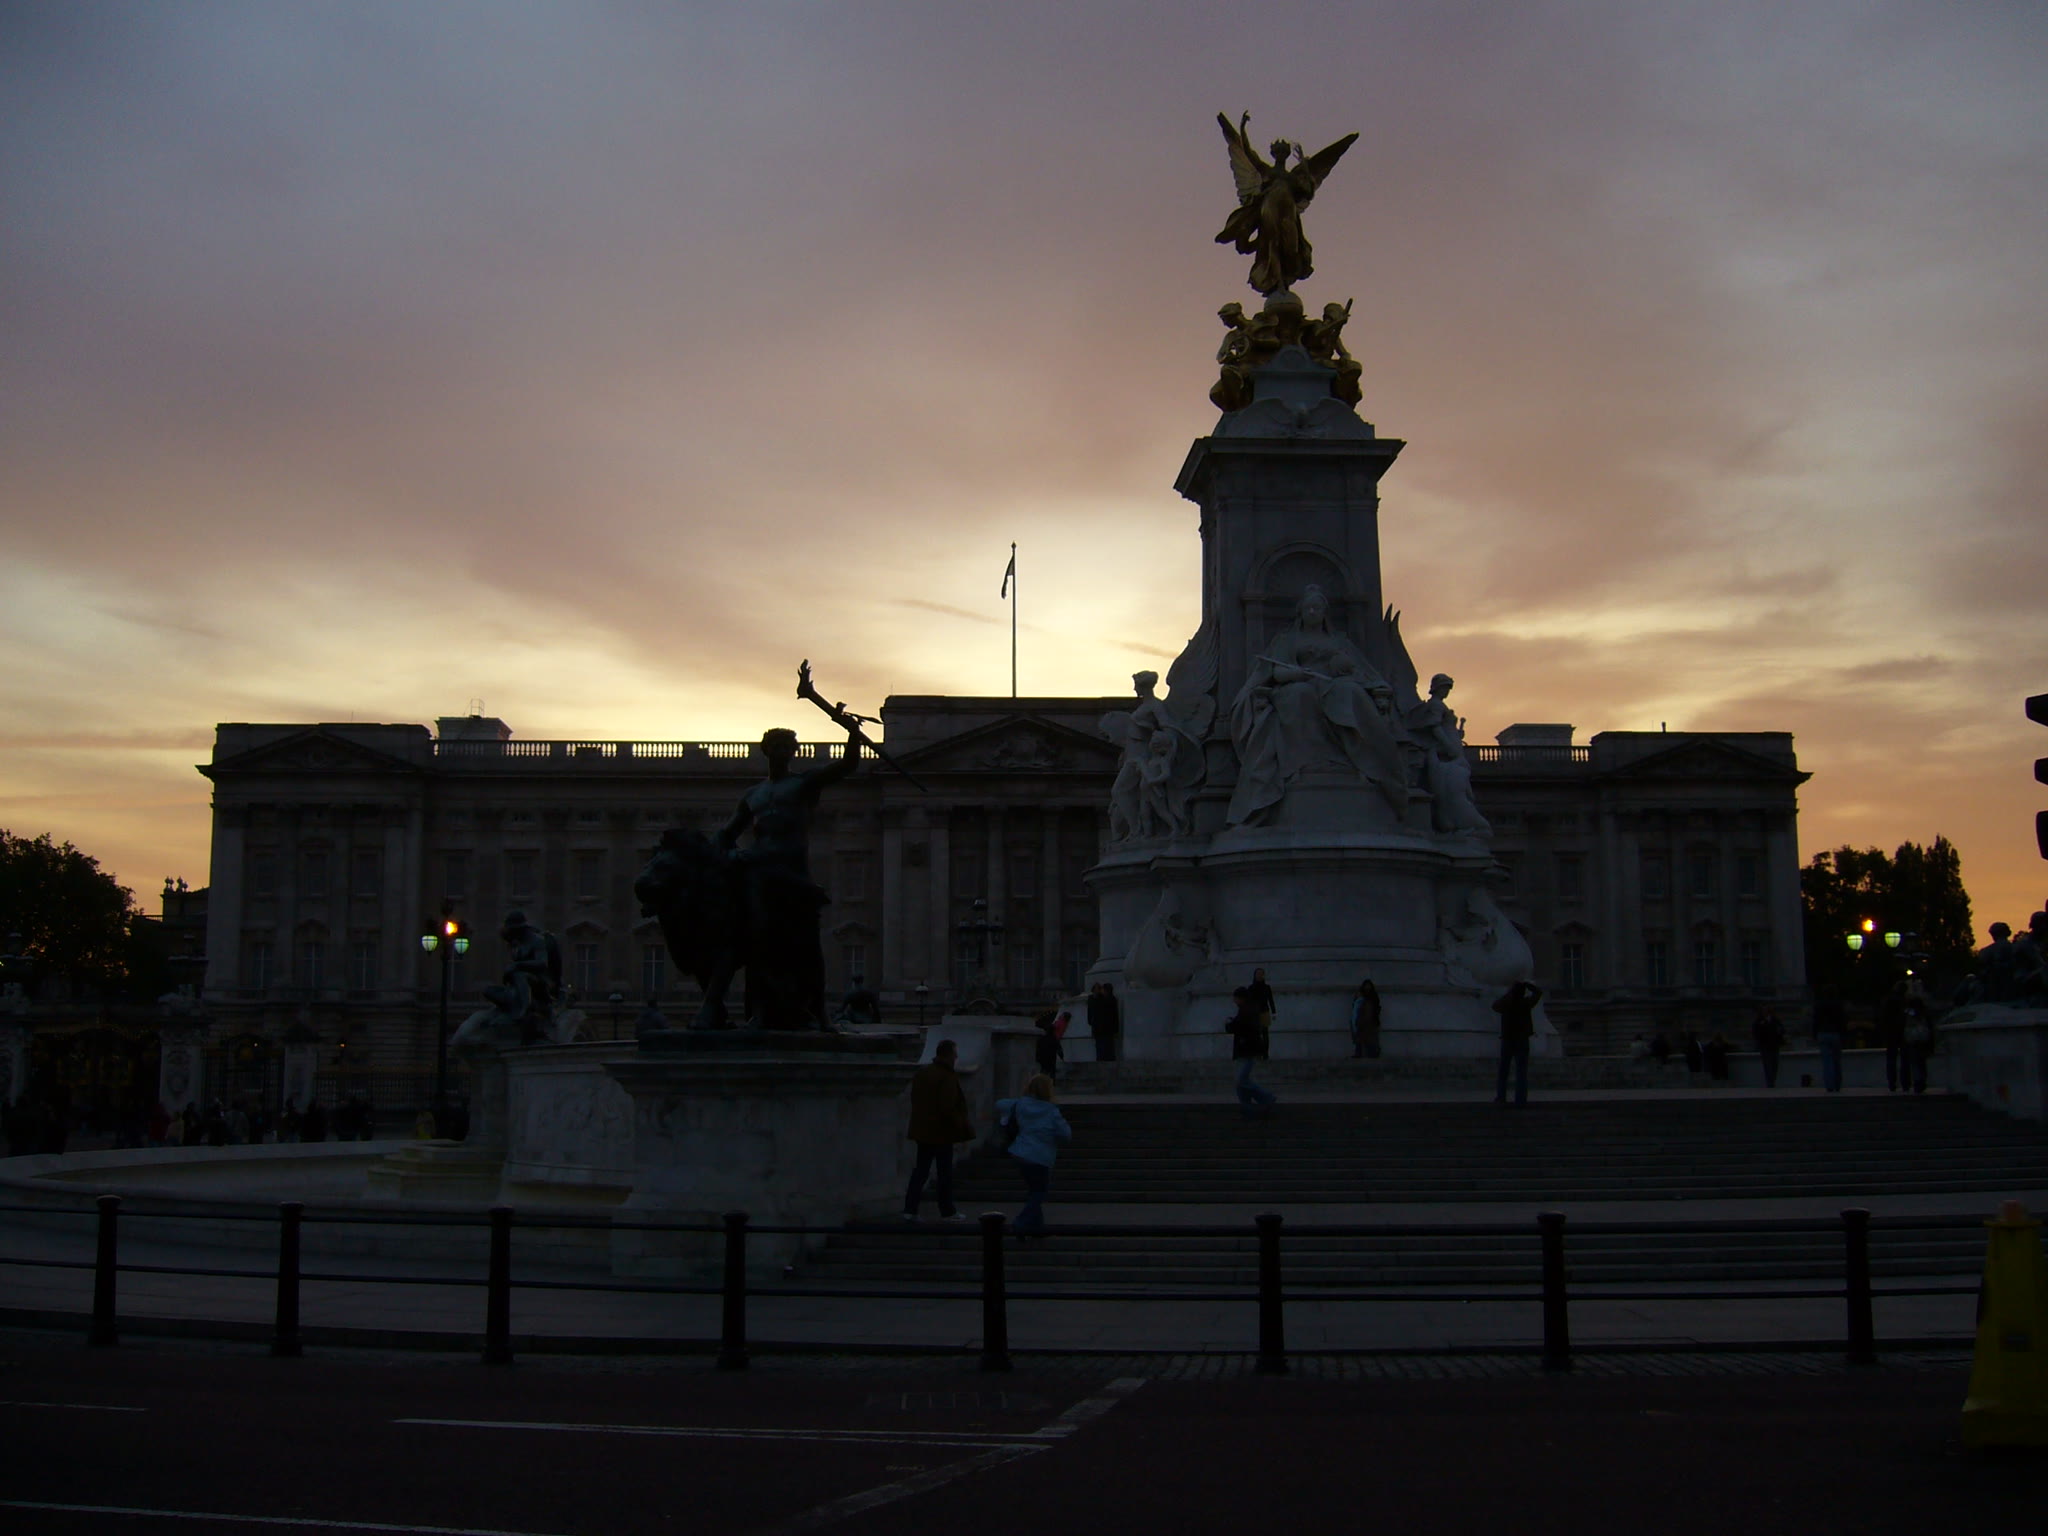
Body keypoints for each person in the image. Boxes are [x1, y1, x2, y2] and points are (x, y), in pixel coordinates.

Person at [903, 1039, 973, 1223]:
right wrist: (959, 1129)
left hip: (923, 1130)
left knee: (920, 1171)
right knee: (944, 1173)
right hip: (942, 1132)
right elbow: (948, 1107)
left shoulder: (923, 1073)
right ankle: (947, 1211)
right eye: (955, 1054)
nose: (956, 1058)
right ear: (949, 1055)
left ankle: (910, 1209)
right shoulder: (947, 1075)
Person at [995, 1074, 1071, 1238]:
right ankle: (1021, 1223)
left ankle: (1036, 1227)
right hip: (1041, 1156)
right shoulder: (1051, 1111)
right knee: (1039, 1192)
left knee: (1034, 1191)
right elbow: (1066, 1134)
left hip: (1020, 1153)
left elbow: (1000, 1104)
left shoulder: (1021, 1104)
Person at [1226, 987, 1277, 1118]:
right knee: (1241, 1082)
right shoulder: (1247, 1010)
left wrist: (1230, 1024)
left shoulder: (1247, 1011)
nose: (1234, 1001)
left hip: (1246, 1049)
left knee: (1241, 1081)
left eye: (1236, 998)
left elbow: (1240, 1027)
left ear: (1241, 998)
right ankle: (1247, 1107)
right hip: (1246, 1049)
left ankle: (1266, 1097)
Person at [1492, 980, 1542, 1106]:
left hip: (1508, 1039)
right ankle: (1520, 1100)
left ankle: (1501, 1098)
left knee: (1503, 1071)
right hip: (1522, 1039)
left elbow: (1494, 1006)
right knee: (1521, 1072)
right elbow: (1538, 993)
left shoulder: (1506, 1004)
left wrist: (1509, 993)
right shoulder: (1525, 1003)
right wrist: (1529, 986)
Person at [1812, 984, 1847, 1093]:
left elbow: (1815, 1020)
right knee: (1836, 1060)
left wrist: (1814, 1033)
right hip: (1835, 1033)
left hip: (1823, 1033)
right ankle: (1837, 1083)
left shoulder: (1819, 1005)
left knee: (1827, 1061)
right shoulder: (1838, 1004)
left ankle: (1829, 1084)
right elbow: (1842, 1020)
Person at [1900, 996, 1932, 1094]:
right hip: (1922, 1041)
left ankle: (1913, 1082)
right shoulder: (1924, 1014)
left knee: (1913, 1063)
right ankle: (1920, 1082)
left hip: (1910, 1041)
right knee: (1921, 1063)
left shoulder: (1906, 1014)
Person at [1752, 1005, 1786, 1088]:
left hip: (1774, 1045)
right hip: (1765, 1046)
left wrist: (1779, 1033)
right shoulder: (1759, 1021)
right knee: (1768, 1065)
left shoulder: (1775, 1020)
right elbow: (1756, 1032)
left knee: (1774, 1065)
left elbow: (1782, 1030)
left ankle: (1772, 1081)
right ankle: (1770, 1083)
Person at [1087, 982, 1122, 1064]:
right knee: (1106, 1051)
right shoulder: (1109, 999)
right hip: (1105, 1030)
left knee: (1103, 1051)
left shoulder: (1103, 1000)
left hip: (1102, 1030)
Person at [1349, 978, 1383, 1059]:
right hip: (1362, 1021)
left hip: (1370, 1021)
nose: (1367, 988)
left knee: (1369, 1038)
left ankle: (1371, 1053)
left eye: (1368, 986)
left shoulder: (1371, 998)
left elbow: (1375, 1008)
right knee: (1361, 1038)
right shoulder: (1362, 998)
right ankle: (1362, 1053)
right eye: (1366, 986)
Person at [1033, 1009, 1064, 1080]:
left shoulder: (1042, 1039)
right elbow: (1059, 1049)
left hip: (1043, 1059)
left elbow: (1038, 1048)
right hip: (1051, 1059)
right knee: (1051, 1074)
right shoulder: (1054, 1039)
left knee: (1043, 1072)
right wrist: (1062, 1057)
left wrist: (1037, 1057)